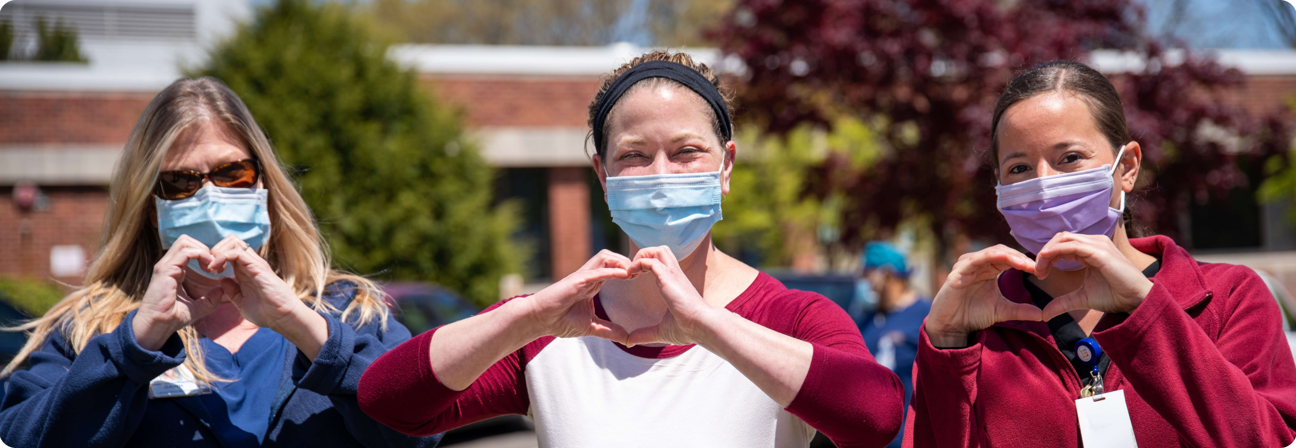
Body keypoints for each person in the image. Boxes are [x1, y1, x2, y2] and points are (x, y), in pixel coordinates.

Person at [357, 51, 904, 448]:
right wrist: (527, 316)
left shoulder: (791, 317)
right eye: (634, 155)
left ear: (726, 167)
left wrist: (706, 325)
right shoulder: (555, 327)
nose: (661, 175)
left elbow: (876, 417)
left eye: (687, 151)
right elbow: (389, 401)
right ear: (602, 173)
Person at [0, 78, 441, 447]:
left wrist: (303, 326)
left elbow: (419, 434)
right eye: (180, 181)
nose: (210, 197)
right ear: (151, 207)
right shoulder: (89, 329)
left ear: (264, 186)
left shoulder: (348, 312)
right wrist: (134, 347)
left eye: (233, 173)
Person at [905, 61, 1296, 447]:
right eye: (1019, 167)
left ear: (1126, 167)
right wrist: (948, 347)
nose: (1043, 185)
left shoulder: (1229, 299)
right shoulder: (974, 323)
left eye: (1070, 158)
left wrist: (1148, 315)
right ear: (998, 186)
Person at [856, 242, 929, 448]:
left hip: (910, 436)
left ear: (886, 274)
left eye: (867, 273)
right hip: (870, 436)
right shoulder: (868, 320)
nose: (863, 281)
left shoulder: (926, 315)